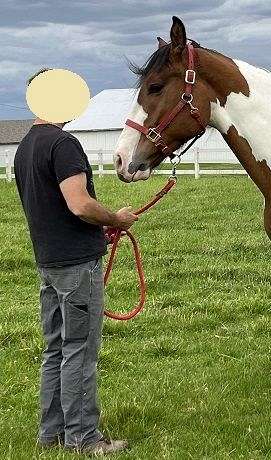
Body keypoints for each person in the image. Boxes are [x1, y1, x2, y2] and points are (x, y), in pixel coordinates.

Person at [14, 68, 136, 455]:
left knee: (56, 349)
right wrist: (115, 218)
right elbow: (79, 203)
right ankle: (84, 438)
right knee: (79, 350)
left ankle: (50, 433)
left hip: (48, 262)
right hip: (75, 265)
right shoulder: (63, 144)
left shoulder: (25, 146)